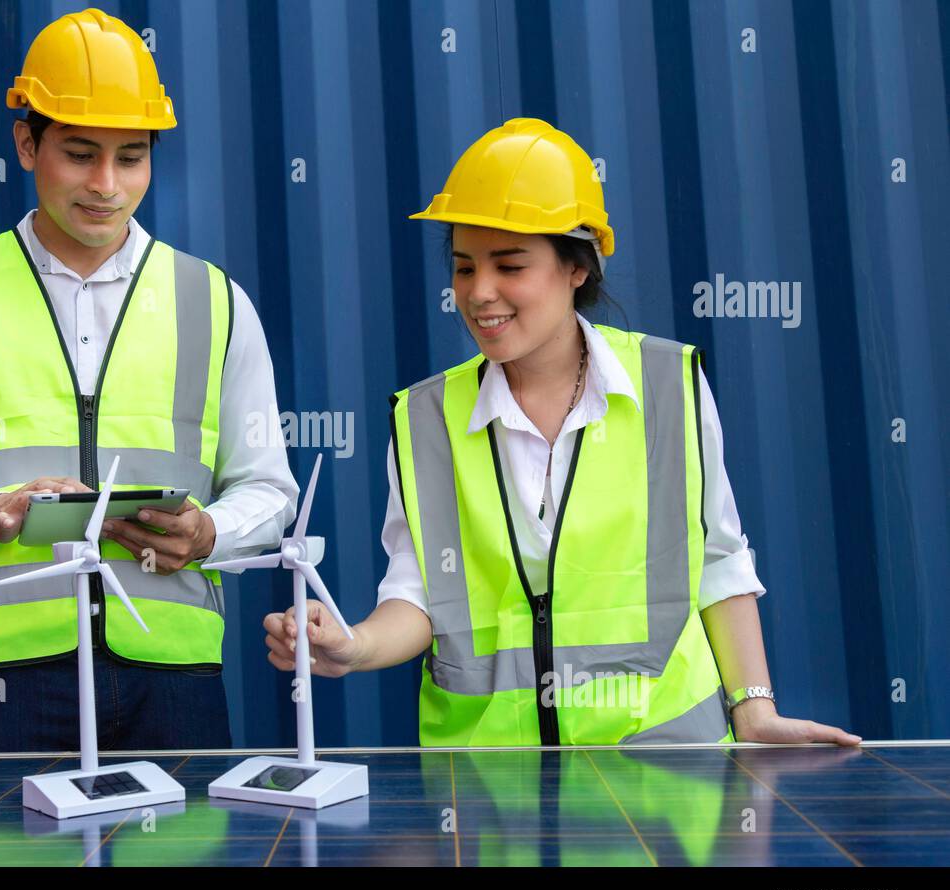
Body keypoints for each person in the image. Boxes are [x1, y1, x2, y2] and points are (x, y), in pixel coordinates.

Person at [262, 118, 861, 747]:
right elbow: (417, 594)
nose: (479, 293)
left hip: (666, 782)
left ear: (578, 268)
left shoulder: (666, 384)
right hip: (495, 796)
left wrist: (754, 710)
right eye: (464, 268)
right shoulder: (425, 419)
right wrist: (353, 646)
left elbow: (718, 560)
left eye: (509, 265)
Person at [0, 8, 297, 752]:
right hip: (4, 685)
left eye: (130, 158)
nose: (106, 185)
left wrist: (210, 531)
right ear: (27, 144)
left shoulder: (212, 301)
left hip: (176, 677)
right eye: (80, 153)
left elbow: (270, 491)